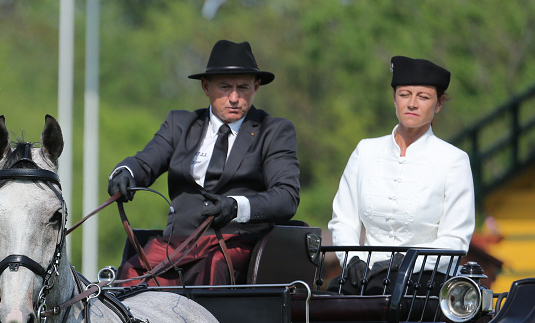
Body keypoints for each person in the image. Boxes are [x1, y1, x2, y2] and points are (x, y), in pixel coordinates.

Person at [108, 39, 300, 286]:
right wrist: (125, 173)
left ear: (256, 87)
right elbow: (146, 162)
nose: (234, 97)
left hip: (234, 242)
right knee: (132, 273)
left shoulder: (273, 131)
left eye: (243, 88)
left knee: (213, 267)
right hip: (177, 243)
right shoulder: (180, 125)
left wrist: (236, 206)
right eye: (224, 87)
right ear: (206, 87)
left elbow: (286, 196)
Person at [328, 56, 475, 294]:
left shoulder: (454, 160)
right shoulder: (365, 151)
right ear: (394, 99)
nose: (412, 104)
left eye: (424, 97)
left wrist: (405, 263)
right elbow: (343, 220)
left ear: (438, 105)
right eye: (405, 94)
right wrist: (353, 260)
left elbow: (455, 239)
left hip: (424, 282)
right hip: (363, 277)